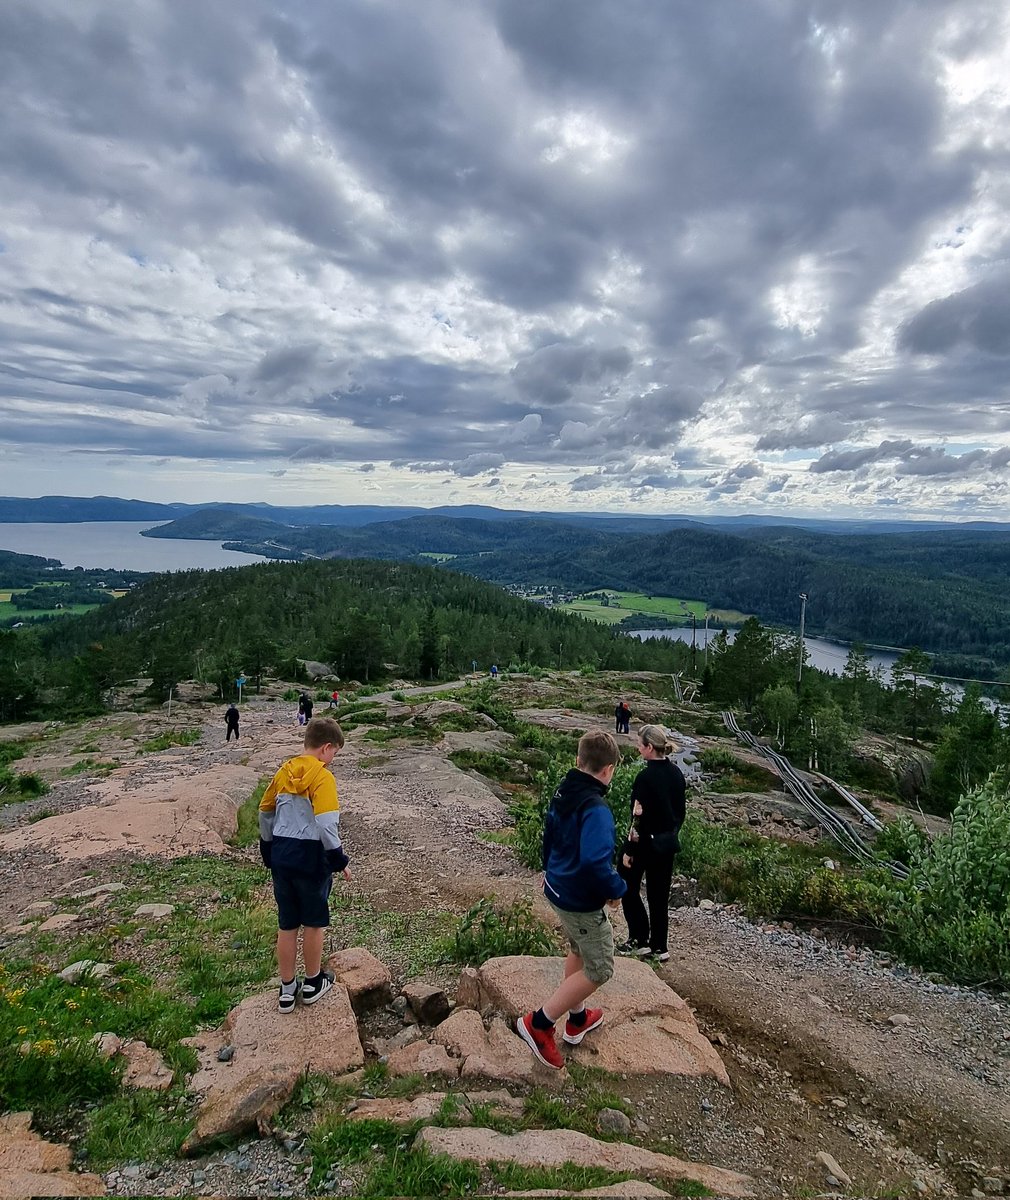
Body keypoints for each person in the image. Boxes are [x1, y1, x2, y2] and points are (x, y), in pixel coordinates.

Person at [516, 730, 626, 1070]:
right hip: (580, 898)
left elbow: (549, 836)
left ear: (579, 761)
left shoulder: (565, 790)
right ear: (608, 770)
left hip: (558, 886)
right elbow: (596, 861)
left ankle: (578, 1019)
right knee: (601, 967)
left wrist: (550, 870)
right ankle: (540, 1023)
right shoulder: (596, 809)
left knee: (578, 948)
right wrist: (615, 889)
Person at [258, 716, 351, 1013]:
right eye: (334, 752)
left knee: (287, 923)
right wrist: (338, 859)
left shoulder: (284, 772)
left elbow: (265, 813)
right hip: (312, 859)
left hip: (283, 856)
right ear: (326, 748)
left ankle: (287, 990)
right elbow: (326, 824)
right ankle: (312, 983)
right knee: (313, 922)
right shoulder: (323, 777)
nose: (332, 759)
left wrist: (267, 849)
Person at [617, 724, 686, 962]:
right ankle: (659, 947)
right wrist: (671, 832)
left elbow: (638, 816)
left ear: (649, 747)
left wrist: (629, 849)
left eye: (639, 745)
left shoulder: (645, 777)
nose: (638, 749)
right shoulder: (676, 773)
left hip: (645, 843)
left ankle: (638, 939)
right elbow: (680, 812)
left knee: (627, 885)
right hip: (666, 844)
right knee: (659, 896)